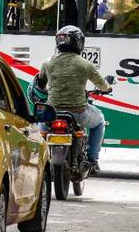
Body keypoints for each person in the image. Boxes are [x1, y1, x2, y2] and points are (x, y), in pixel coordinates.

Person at [37, 25, 111, 175]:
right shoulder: (85, 64)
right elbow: (103, 86)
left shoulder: (47, 63)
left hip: (52, 113)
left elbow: (40, 83)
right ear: (79, 43)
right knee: (100, 120)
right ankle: (92, 160)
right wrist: (107, 88)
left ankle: (39, 161)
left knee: (40, 132)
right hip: (79, 113)